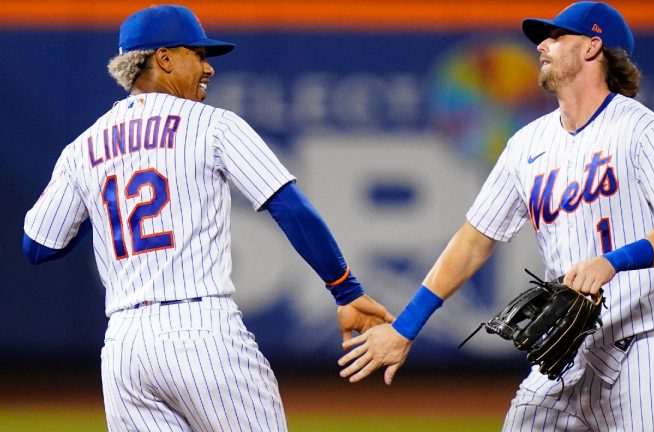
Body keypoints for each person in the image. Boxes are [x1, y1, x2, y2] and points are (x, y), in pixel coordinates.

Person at [338, 2, 654, 430]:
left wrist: (612, 261)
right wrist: (405, 328)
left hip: (645, 354)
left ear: (592, 47)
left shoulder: (642, 130)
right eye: (542, 39)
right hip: (563, 352)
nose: (542, 47)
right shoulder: (526, 144)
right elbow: (473, 241)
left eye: (555, 37)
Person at [22, 4, 393, 431]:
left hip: (124, 347)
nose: (208, 68)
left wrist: (98, 189)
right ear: (162, 58)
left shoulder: (82, 148)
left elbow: (38, 246)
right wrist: (346, 291)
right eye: (196, 54)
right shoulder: (212, 125)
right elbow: (289, 207)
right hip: (201, 332)